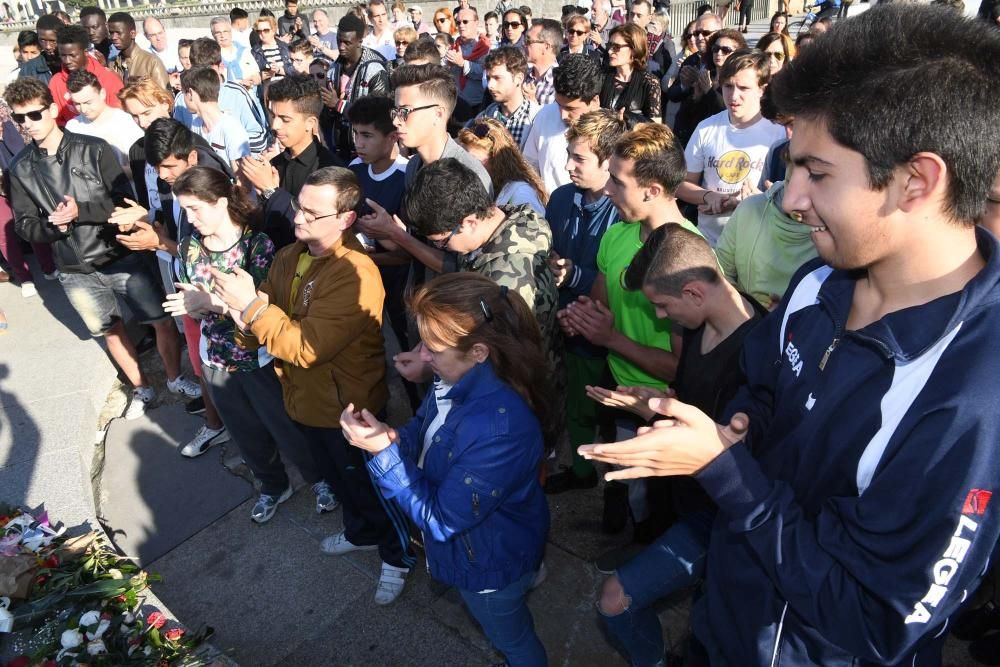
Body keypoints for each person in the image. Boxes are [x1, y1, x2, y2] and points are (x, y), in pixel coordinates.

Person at [580, 6, 1000, 664]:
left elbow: (876, 622)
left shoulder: (974, 394)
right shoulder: (817, 280)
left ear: (916, 181)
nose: (794, 198)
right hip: (726, 624)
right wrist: (737, 425)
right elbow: (763, 383)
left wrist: (724, 470)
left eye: (818, 172)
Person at [210, 166, 416, 605]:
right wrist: (243, 313)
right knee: (341, 483)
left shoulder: (353, 273)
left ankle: (398, 556)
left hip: (348, 409)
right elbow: (262, 317)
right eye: (299, 205)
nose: (298, 217)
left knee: (372, 487)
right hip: (306, 400)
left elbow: (303, 347)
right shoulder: (289, 255)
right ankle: (362, 532)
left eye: (311, 212)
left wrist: (248, 307)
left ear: (345, 219)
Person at [342, 272, 550, 667]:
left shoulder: (500, 430)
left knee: (513, 640)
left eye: (433, 349)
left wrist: (385, 457)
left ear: (479, 352)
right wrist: (394, 438)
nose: (422, 356)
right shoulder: (457, 379)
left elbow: (440, 519)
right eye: (422, 343)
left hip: (488, 567)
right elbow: (426, 426)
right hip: (496, 540)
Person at [592, 222, 766, 667]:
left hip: (723, 521)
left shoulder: (758, 355)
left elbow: (733, 455)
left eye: (662, 306)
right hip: (690, 504)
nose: (662, 317)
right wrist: (649, 405)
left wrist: (655, 442)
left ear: (693, 291)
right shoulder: (697, 326)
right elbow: (692, 406)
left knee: (617, 601)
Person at [5, 77, 200, 421]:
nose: (28, 125)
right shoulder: (20, 168)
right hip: (74, 269)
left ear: (52, 109)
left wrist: (81, 212)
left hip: (120, 254)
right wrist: (54, 226)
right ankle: (141, 388)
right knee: (110, 331)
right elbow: (23, 224)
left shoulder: (93, 148)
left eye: (34, 115)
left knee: (160, 321)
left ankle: (174, 378)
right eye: (20, 118)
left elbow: (124, 201)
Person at [162, 166, 336, 518]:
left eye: (195, 208)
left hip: (260, 356)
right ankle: (273, 485)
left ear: (222, 201)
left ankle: (320, 479)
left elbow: (265, 306)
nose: (189, 218)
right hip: (216, 359)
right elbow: (192, 304)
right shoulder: (188, 248)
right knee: (246, 433)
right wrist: (193, 308)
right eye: (185, 210)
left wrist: (209, 304)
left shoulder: (257, 245)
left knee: (287, 425)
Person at [558, 123, 700, 545]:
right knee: (619, 478)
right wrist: (582, 315)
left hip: (654, 405)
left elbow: (682, 367)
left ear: (653, 190)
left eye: (619, 183)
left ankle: (641, 556)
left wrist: (610, 339)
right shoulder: (617, 232)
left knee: (649, 497)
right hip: (613, 384)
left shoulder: (685, 259)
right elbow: (600, 300)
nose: (609, 192)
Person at [402, 158, 562, 415]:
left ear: (469, 222)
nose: (442, 249)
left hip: (516, 400)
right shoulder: (507, 217)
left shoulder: (506, 280)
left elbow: (502, 357)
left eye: (442, 242)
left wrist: (430, 363)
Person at [542, 109, 626, 495]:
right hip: (568, 327)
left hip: (615, 333)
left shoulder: (626, 211)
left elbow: (626, 281)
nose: (568, 165)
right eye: (569, 154)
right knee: (576, 404)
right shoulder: (560, 199)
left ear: (609, 162)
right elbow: (549, 255)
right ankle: (579, 470)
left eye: (579, 158)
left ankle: (618, 491)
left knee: (615, 414)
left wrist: (576, 276)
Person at [354, 63, 492, 280]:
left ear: (438, 113)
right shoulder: (413, 166)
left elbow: (467, 268)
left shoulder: (470, 175)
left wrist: (395, 233)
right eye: (396, 111)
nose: (396, 121)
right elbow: (417, 249)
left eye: (406, 112)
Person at [344, 95, 415, 408]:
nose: (359, 143)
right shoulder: (355, 170)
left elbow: (406, 253)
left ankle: (417, 412)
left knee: (406, 351)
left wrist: (367, 255)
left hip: (399, 287)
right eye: (355, 134)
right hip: (361, 288)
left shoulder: (407, 177)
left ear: (392, 137)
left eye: (367, 135)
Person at [677, 49, 785, 247]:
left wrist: (756, 200)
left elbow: (789, 196)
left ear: (762, 88)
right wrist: (709, 196)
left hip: (758, 245)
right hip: (710, 243)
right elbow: (681, 185)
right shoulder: (706, 128)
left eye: (744, 88)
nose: (734, 96)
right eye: (728, 86)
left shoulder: (779, 133)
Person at [239, 75, 342, 250]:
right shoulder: (275, 164)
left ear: (310, 123)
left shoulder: (330, 171)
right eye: (273, 116)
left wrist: (270, 191)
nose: (275, 125)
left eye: (285, 119)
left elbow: (314, 230)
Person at [173, 38, 270, 156]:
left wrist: (225, 143)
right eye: (199, 72)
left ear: (220, 67)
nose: (205, 78)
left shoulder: (236, 93)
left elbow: (260, 139)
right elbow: (177, 143)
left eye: (209, 72)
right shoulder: (182, 99)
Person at [0, 96, 57, 297]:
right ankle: (24, 277)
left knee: (30, 220)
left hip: (17, 174)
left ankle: (49, 267)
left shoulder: (5, 112)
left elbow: (20, 145)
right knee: (4, 233)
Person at [523, 53, 604, 195]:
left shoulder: (610, 132)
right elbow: (530, 168)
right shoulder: (544, 115)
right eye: (558, 104)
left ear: (594, 101)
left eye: (571, 109)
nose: (562, 115)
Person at [323, 13, 392, 160]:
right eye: (339, 41)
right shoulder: (333, 69)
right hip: (339, 149)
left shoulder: (375, 69)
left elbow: (377, 116)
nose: (341, 47)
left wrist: (338, 104)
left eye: (347, 43)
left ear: (360, 41)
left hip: (368, 152)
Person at [457, 118, 547, 215]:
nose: (467, 166)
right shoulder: (479, 189)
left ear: (497, 160)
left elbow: (536, 226)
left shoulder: (521, 192)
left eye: (476, 161)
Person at [65, 69, 143, 177]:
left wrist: (104, 173)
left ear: (102, 94)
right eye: (77, 104)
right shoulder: (72, 127)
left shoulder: (124, 121)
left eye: (88, 102)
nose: (83, 109)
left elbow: (140, 166)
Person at [665, 12, 722, 147]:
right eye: (696, 33)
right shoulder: (691, 60)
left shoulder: (724, 62)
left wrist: (707, 89)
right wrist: (684, 85)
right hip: (686, 134)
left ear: (719, 33)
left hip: (711, 136)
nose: (699, 37)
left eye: (706, 33)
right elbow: (673, 95)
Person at [50, 24, 124, 128]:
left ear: (85, 52)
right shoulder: (55, 83)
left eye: (72, 55)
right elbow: (57, 122)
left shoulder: (109, 79)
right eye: (63, 55)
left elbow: (119, 117)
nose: (67, 61)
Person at [181, 66, 251, 173]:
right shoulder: (195, 125)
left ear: (190, 94)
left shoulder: (232, 129)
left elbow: (242, 181)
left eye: (183, 93)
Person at [477, 46, 538, 148]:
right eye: (488, 78)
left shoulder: (536, 119)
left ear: (519, 78)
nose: (490, 85)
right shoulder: (485, 116)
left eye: (497, 78)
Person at [601, 23, 661, 123]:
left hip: (635, 138)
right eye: (609, 45)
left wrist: (628, 120)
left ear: (634, 50)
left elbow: (656, 128)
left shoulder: (649, 82)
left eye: (616, 47)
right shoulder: (602, 77)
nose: (610, 51)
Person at [446, 8, 491, 117]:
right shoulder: (455, 46)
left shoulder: (485, 46)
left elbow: (484, 73)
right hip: (457, 103)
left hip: (477, 106)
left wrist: (462, 63)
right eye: (458, 22)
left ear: (476, 23)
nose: (461, 25)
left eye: (465, 21)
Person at [107, 12, 169, 90]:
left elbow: (167, 98)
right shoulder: (112, 64)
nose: (113, 37)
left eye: (118, 33)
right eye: (111, 33)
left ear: (133, 34)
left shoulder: (151, 62)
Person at [211, 17, 261, 89]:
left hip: (248, 94)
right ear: (213, 35)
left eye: (225, 31)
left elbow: (257, 77)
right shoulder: (212, 56)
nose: (222, 35)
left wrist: (249, 82)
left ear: (230, 31)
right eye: (218, 33)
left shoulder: (245, 51)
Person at [524, 19, 561, 106]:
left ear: (547, 46)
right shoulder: (523, 76)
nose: (524, 45)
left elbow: (558, 117)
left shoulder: (560, 82)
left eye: (529, 41)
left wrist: (532, 102)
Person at [17, 14, 62, 84]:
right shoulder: (28, 69)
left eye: (52, 41)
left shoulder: (73, 63)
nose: (48, 46)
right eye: (42, 40)